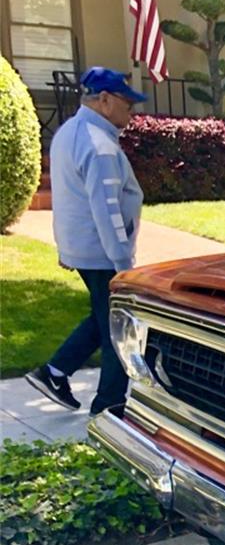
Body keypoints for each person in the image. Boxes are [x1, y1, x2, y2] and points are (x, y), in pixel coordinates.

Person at [25, 67, 146, 415]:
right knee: (116, 328)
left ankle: (54, 373)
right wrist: (124, 265)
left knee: (101, 315)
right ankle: (109, 405)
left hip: (83, 249)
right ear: (105, 101)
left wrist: (67, 248)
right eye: (127, 104)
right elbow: (107, 212)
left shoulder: (68, 133)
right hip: (103, 252)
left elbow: (68, 197)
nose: (131, 112)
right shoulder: (100, 147)